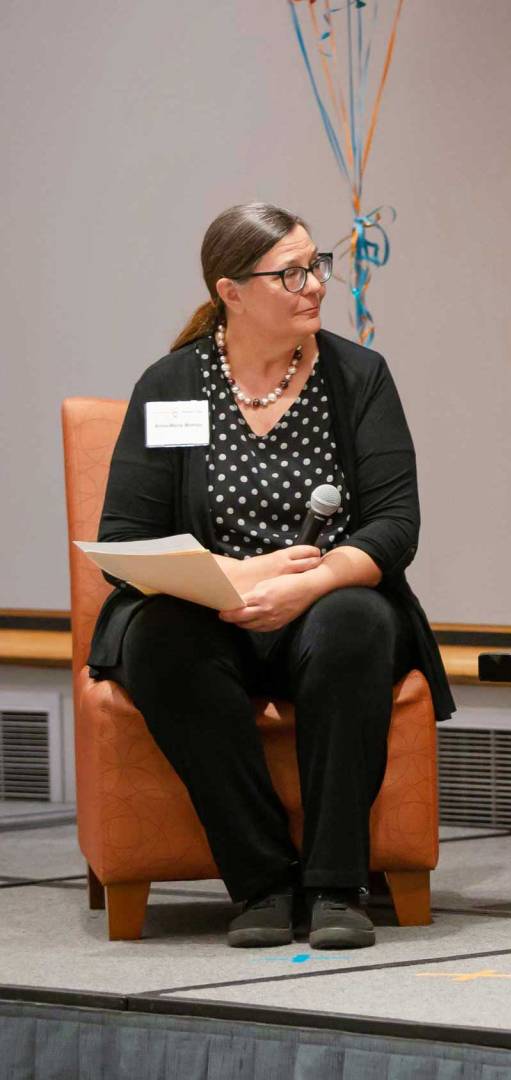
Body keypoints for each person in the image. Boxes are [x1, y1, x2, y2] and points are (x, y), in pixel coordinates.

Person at [90, 203, 451, 950]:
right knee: (157, 638)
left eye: (317, 265)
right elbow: (129, 535)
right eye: (291, 272)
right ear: (232, 291)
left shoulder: (358, 377)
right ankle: (259, 882)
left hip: (322, 607)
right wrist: (243, 575)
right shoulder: (172, 386)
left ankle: (334, 885)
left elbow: (393, 527)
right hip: (209, 612)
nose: (314, 284)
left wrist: (307, 585)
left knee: (357, 621)